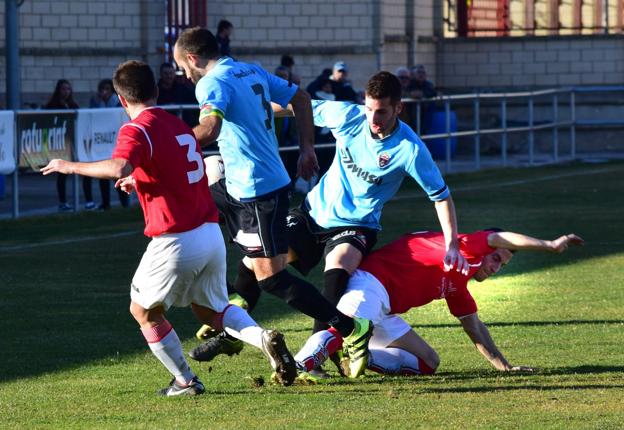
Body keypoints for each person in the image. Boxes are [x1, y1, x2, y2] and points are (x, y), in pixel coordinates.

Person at [41, 60, 299, 394]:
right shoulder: (177, 124)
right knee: (211, 310)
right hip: (209, 234)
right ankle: (262, 338)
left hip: (176, 239)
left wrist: (69, 166)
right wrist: (141, 179)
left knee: (143, 311)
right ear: (157, 90)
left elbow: (119, 165)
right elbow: (172, 169)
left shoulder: (136, 128)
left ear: (121, 100)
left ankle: (185, 380)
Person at [194, 71, 468, 377]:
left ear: (398, 109)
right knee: (256, 261)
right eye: (369, 109)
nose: (373, 118)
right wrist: (250, 111)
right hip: (313, 213)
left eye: (382, 112)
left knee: (335, 272)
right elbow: (298, 105)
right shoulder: (348, 116)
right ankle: (230, 335)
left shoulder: (410, 149)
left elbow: (441, 196)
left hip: (356, 226)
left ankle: (313, 360)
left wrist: (452, 243)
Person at [173, 27, 373, 377]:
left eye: (182, 67)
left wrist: (167, 146)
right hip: (244, 185)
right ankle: (231, 314)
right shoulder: (250, 69)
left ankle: (350, 328)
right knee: (198, 198)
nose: (184, 75)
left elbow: (209, 130)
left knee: (271, 278)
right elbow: (301, 98)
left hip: (258, 192)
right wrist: (307, 147)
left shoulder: (210, 83)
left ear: (192, 58)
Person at [295, 229, 584, 377]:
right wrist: (549, 245)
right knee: (341, 330)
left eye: (502, 265)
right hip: (371, 284)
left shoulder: (459, 283)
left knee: (429, 362)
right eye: (496, 258)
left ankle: (361, 358)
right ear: (487, 249)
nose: (496, 266)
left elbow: (475, 328)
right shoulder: (464, 246)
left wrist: (504, 367)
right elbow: (499, 236)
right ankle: (295, 367)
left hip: (385, 309)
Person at [44, 79, 94, 211]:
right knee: (62, 173)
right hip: (61, 144)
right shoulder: (52, 105)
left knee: (85, 170)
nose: (66, 92)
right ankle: (63, 202)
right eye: (63, 89)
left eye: (68, 89)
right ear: (58, 90)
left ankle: (89, 201)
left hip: (76, 143)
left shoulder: (73, 104)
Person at [89, 79, 130, 210]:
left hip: (116, 141)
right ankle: (105, 203)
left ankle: (125, 202)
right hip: (102, 142)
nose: (104, 92)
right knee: (104, 174)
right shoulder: (96, 103)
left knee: (118, 174)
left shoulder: (118, 102)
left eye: (107, 89)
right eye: (102, 89)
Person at [156, 62, 198, 127]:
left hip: (182, 125)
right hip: (162, 126)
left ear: (174, 74)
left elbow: (194, 103)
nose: (169, 76)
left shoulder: (183, 89)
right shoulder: (155, 91)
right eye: (166, 73)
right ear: (161, 74)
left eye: (171, 73)